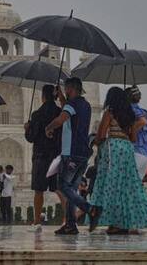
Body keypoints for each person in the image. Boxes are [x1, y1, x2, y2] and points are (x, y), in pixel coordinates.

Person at [90, 87, 147, 234]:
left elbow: (101, 134)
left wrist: (94, 141)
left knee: (113, 186)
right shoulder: (129, 115)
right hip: (127, 149)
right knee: (130, 186)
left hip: (113, 148)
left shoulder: (110, 112)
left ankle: (116, 223)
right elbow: (133, 138)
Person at [45, 77, 102, 235]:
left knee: (63, 186)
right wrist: (62, 97)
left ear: (71, 89)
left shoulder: (73, 104)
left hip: (71, 153)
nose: (65, 91)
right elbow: (68, 111)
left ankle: (91, 209)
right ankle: (70, 225)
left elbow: (62, 118)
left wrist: (48, 127)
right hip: (83, 154)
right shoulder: (85, 105)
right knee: (72, 190)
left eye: (66, 89)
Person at [25, 84, 64, 231]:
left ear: (43, 97)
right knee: (59, 189)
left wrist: (27, 129)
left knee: (39, 190)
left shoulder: (37, 114)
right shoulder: (60, 112)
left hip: (40, 156)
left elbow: (31, 137)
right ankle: (67, 219)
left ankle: (37, 221)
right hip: (56, 155)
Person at [126, 86, 147, 178]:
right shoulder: (145, 112)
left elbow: (143, 122)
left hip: (136, 152)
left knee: (130, 185)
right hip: (146, 153)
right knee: (136, 185)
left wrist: (132, 134)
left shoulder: (131, 110)